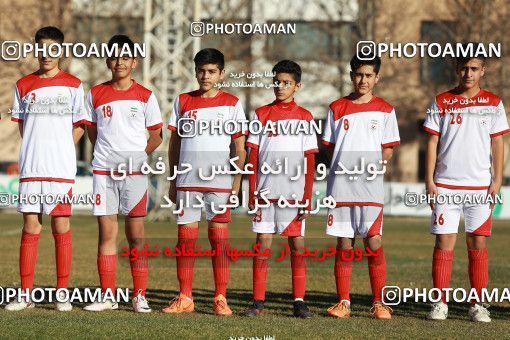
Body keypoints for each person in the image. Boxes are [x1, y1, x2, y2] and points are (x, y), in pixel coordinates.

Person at [424, 46, 509, 322]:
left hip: (480, 187)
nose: (468, 73)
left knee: (478, 244)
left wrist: (497, 179)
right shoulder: (440, 101)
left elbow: (498, 142)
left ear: (482, 71)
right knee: (443, 243)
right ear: (456, 69)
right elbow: (432, 142)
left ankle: (477, 305)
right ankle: (440, 303)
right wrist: (429, 180)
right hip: (446, 185)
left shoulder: (494, 103)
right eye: (464, 68)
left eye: (474, 68)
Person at [5, 26, 87, 312]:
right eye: (41, 48)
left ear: (61, 51)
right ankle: (26, 294)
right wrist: (37, 149)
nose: (46, 54)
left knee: (61, 225)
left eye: (52, 49)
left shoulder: (75, 85)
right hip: (31, 167)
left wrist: (62, 148)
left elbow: (79, 125)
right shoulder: (23, 84)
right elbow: (23, 126)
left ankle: (61, 293)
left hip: (60, 169)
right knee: (30, 225)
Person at [163, 48, 247, 316]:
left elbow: (240, 148)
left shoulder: (232, 103)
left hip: (220, 183)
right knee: (185, 240)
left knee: (218, 241)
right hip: (187, 182)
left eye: (211, 71)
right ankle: (185, 297)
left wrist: (237, 184)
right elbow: (174, 144)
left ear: (221, 73)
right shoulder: (183, 101)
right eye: (201, 71)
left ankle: (220, 297)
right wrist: (173, 178)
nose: (205, 76)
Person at [83, 35, 163, 312]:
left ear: (134, 62)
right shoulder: (94, 94)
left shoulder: (146, 96)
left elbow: (156, 136)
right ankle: (107, 295)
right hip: (104, 172)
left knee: (136, 236)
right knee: (107, 234)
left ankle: (139, 295)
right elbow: (92, 131)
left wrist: (138, 156)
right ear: (107, 61)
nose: (120, 62)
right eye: (115, 57)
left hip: (135, 173)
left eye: (125, 58)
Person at [322, 55, 399, 319]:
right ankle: (343, 302)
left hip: (370, 188)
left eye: (368, 75)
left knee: (373, 241)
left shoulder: (386, 110)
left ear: (377, 77)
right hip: (341, 187)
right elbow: (330, 149)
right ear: (351, 75)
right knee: (344, 243)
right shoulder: (335, 108)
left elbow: (388, 149)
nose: (362, 80)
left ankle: (379, 302)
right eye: (358, 74)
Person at [243, 60, 318, 318]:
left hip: (293, 194)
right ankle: (258, 302)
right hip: (265, 192)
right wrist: (252, 192)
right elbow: (251, 158)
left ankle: (299, 302)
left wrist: (307, 198)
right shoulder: (261, 114)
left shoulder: (305, 117)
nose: (280, 86)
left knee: (297, 244)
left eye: (286, 82)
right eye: (277, 81)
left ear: (297, 86)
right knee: (262, 243)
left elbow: (310, 161)